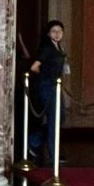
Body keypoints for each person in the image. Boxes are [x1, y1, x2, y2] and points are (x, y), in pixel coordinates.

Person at [29, 19, 67, 165]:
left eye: (59, 31)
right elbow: (34, 67)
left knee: (60, 118)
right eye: (53, 31)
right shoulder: (47, 48)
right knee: (54, 119)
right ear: (48, 33)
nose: (57, 34)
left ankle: (34, 140)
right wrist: (45, 76)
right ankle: (53, 154)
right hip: (48, 86)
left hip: (56, 86)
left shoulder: (58, 48)